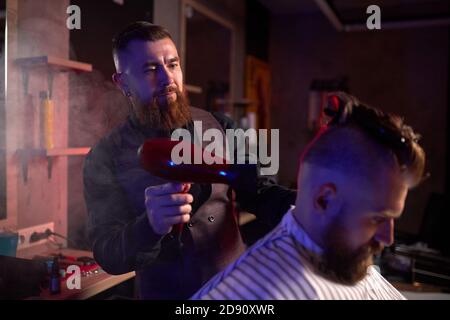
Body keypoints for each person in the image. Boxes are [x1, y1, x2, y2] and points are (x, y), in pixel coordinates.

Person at [83, 21, 296, 299]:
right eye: (150, 69)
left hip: (233, 292)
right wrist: (150, 226)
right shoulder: (105, 156)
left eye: (172, 65)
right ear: (123, 82)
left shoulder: (223, 127)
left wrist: (305, 206)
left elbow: (260, 191)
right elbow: (108, 252)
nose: (167, 78)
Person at [191, 92, 426, 300]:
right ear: (324, 200)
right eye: (377, 218)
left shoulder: (346, 257)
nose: (388, 238)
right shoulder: (245, 293)